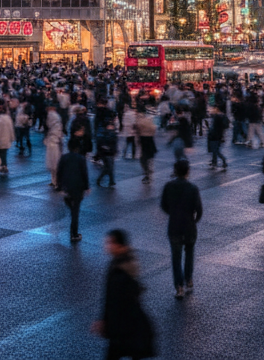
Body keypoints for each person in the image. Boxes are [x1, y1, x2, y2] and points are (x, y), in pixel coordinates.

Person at [93, 229, 155, 360]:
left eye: (111, 243)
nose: (107, 246)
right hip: (127, 327)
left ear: (120, 245)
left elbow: (114, 300)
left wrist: (106, 322)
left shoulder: (121, 271)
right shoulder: (120, 262)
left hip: (123, 327)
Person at [160, 159, 203, 299]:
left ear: (175, 171)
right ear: (188, 171)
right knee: (189, 253)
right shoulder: (193, 188)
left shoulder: (168, 186)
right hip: (189, 227)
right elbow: (199, 210)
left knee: (176, 258)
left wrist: (173, 213)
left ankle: (179, 287)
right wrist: (194, 220)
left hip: (174, 226)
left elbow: (163, 205)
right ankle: (188, 278)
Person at [58, 137, 90, 243]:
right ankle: (74, 234)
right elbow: (84, 174)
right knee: (76, 211)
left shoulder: (64, 158)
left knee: (72, 208)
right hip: (78, 187)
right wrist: (87, 187)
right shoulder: (81, 158)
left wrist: (60, 186)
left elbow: (59, 172)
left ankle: (73, 226)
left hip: (67, 187)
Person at [207, 105, 229, 169]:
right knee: (215, 149)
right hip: (218, 135)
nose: (211, 110)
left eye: (212, 109)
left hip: (215, 135)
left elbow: (215, 127)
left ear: (216, 109)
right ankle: (214, 162)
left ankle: (223, 160)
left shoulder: (218, 117)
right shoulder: (221, 116)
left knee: (215, 150)